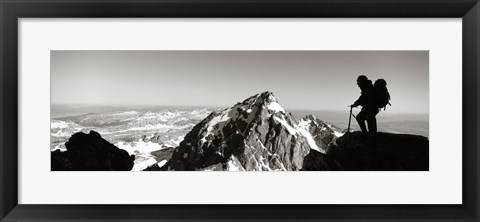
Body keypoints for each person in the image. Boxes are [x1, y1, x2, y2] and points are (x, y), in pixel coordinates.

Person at [350, 75, 378, 143]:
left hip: (370, 108)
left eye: (358, 82)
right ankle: (370, 136)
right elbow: (362, 98)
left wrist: (355, 104)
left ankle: (369, 137)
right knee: (368, 119)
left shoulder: (367, 88)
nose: (358, 84)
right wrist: (355, 104)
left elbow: (362, 98)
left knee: (365, 119)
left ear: (361, 82)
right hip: (371, 108)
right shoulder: (368, 87)